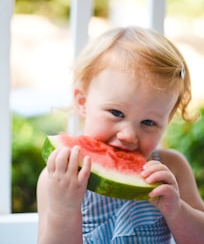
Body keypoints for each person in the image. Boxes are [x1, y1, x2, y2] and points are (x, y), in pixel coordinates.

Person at [37, 26, 204, 244]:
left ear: (167, 121)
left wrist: (177, 211)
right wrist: (64, 210)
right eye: (116, 113)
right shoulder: (59, 176)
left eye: (148, 122)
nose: (128, 134)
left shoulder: (172, 168)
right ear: (82, 102)